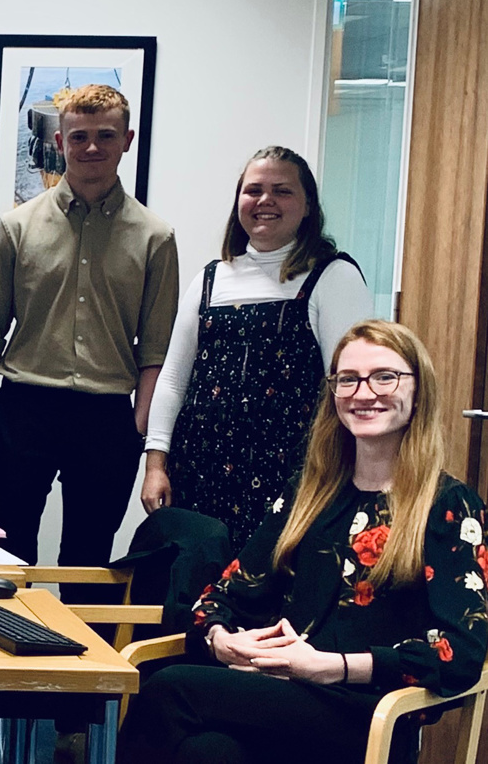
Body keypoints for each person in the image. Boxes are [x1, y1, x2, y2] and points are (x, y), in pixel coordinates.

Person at [119, 319, 488, 764]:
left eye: (384, 376)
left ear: (417, 391)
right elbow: (220, 596)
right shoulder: (309, 494)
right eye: (347, 379)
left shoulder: (449, 506)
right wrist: (222, 640)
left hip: (371, 719)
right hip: (281, 706)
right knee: (207, 751)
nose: (363, 392)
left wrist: (334, 667)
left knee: (169, 688)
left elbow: (462, 652)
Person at [0, 84, 179, 591]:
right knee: (6, 556)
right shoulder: (16, 228)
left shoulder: (155, 237)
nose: (92, 147)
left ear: (128, 139)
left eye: (105, 135)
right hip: (24, 410)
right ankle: (0, 663)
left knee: (88, 559)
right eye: (79, 137)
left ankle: (78, 667)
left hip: (106, 420)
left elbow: (156, 353)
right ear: (60, 141)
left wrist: (138, 431)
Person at [141, 145, 373, 551]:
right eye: (254, 190)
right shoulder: (209, 280)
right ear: (238, 204)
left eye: (282, 191)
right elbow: (174, 380)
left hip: (293, 477)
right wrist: (155, 465)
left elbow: (352, 386)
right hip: (199, 474)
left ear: (307, 206)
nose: (265, 201)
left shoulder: (333, 278)